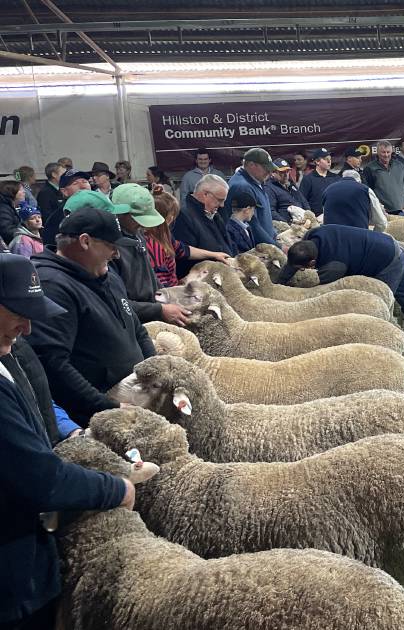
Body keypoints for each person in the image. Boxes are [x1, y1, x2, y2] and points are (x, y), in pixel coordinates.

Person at [0, 253, 135, 630]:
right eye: (16, 313)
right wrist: (116, 488)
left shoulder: (11, 351)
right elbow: (42, 480)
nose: (27, 327)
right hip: (11, 571)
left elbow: (36, 397)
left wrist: (66, 429)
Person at [29, 207, 156, 424]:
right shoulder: (53, 285)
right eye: (111, 246)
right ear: (85, 241)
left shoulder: (107, 275)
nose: (116, 254)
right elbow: (54, 363)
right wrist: (107, 406)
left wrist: (156, 371)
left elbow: (136, 329)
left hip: (134, 394)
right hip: (99, 414)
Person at [278, 224, 404, 366]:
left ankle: (386, 356)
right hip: (389, 247)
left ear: (312, 263)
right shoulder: (311, 237)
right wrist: (278, 287)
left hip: (387, 261)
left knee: (379, 308)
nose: (301, 271)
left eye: (303, 269)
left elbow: (323, 290)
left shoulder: (334, 266)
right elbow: (294, 262)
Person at [107, 185, 194, 325]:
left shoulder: (137, 235)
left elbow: (150, 275)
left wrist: (168, 295)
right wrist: (158, 310)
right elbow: (115, 302)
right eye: (136, 218)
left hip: (151, 311)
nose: (141, 224)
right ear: (120, 214)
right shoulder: (109, 248)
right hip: (132, 321)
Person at [173, 174, 235, 277]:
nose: (222, 205)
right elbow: (184, 254)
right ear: (205, 194)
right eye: (220, 200)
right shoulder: (183, 216)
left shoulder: (214, 214)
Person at [224, 147, 277, 246]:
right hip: (257, 249)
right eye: (266, 168)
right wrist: (276, 247)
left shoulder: (256, 181)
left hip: (266, 245)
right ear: (252, 165)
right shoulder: (243, 186)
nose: (269, 172)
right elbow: (252, 225)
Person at [40, 169, 91, 249]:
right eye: (75, 183)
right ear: (64, 192)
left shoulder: (99, 209)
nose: (83, 186)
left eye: (85, 182)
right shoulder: (58, 218)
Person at [364, 140, 404, 217]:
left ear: (391, 152)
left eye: (388, 152)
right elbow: (368, 191)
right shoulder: (370, 168)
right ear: (377, 152)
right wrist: (378, 207)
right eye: (383, 152)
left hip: (403, 211)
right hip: (384, 213)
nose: (386, 155)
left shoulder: (399, 165)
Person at [265, 157, 308, 223]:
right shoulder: (269, 187)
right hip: (288, 224)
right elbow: (271, 211)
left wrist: (308, 215)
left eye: (287, 171)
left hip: (301, 220)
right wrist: (286, 224)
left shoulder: (291, 185)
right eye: (282, 172)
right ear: (273, 173)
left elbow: (303, 201)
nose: (286, 174)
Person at [224, 188, 257, 255]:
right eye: (253, 210)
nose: (253, 213)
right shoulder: (229, 229)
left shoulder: (247, 227)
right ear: (247, 210)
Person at [35, 163, 64, 233]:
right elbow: (46, 215)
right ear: (54, 174)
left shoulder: (61, 190)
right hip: (53, 231)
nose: (65, 176)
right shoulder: (45, 193)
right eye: (63, 174)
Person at [0, 180, 23, 245]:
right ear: (12, 192)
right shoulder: (3, 209)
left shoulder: (10, 206)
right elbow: (6, 230)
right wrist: (24, 234)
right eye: (21, 190)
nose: (24, 192)